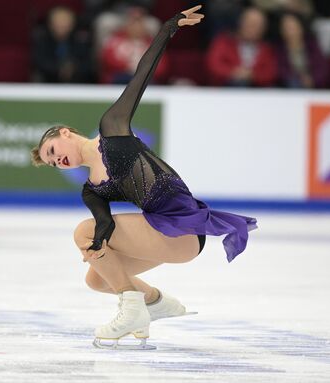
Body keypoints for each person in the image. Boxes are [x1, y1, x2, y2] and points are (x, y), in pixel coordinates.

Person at [30, 5, 257, 350]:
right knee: (97, 277)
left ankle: (132, 309)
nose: (57, 160)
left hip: (183, 227)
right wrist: (95, 245)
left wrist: (168, 28)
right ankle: (154, 301)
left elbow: (141, 76)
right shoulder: (92, 190)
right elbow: (103, 227)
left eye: (52, 150)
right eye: (52, 163)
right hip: (166, 237)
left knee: (82, 232)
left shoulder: (113, 130)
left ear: (65, 132)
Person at [206, 7, 277, 87]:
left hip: (257, 91)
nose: (253, 29)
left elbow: (271, 72)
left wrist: (253, 76)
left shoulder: (266, 49)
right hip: (225, 89)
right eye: (250, 24)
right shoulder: (225, 41)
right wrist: (233, 72)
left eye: (258, 26)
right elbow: (214, 65)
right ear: (241, 23)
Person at [99, 7, 168, 84]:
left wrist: (144, 69)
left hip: (144, 79)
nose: (136, 26)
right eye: (133, 22)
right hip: (120, 78)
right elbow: (107, 60)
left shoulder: (153, 43)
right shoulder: (115, 40)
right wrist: (128, 66)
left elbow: (161, 66)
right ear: (127, 23)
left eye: (139, 22)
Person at [31, 6, 94, 83]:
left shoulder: (81, 41)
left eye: (65, 22)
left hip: (78, 84)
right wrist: (59, 69)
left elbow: (88, 64)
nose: (62, 25)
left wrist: (73, 68)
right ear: (50, 24)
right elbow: (39, 63)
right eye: (58, 22)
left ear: (72, 24)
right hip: (48, 83)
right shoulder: (42, 39)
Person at [276, 13, 328, 88]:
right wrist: (299, 79)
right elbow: (280, 71)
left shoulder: (312, 46)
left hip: (314, 84)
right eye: (287, 28)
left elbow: (322, 68)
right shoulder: (279, 49)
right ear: (282, 31)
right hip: (290, 85)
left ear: (300, 28)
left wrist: (312, 80)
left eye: (293, 28)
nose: (290, 32)